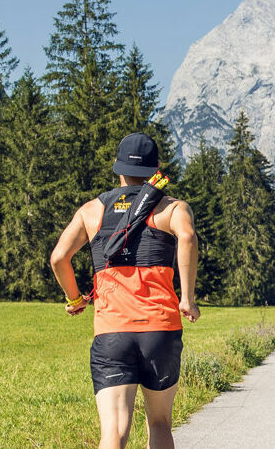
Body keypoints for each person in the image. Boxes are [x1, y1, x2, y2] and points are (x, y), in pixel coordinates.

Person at [51, 132, 200, 449]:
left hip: (112, 333)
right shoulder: (172, 208)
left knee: (114, 432)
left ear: (118, 167)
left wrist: (75, 299)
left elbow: (59, 257)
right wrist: (187, 298)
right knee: (160, 424)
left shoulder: (91, 210)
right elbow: (187, 238)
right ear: (156, 169)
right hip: (160, 330)